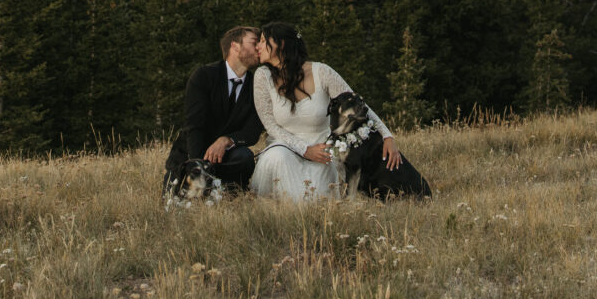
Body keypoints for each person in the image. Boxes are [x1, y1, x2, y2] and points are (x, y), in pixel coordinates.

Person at [250, 21, 430, 201]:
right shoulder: (262, 76)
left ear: (281, 44)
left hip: (323, 147)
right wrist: (305, 150)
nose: (257, 46)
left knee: (319, 191)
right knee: (276, 157)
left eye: (263, 41)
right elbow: (271, 126)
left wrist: (387, 135)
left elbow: (356, 104)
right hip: (286, 146)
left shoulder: (321, 72)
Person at [163, 26, 264, 193]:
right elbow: (194, 125)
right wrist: (198, 165)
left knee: (245, 157)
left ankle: (225, 190)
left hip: (230, 159)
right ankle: (206, 183)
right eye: (254, 43)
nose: (259, 48)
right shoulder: (204, 76)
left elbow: (252, 131)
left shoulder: (257, 86)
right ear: (235, 46)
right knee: (179, 199)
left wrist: (226, 140)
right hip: (192, 152)